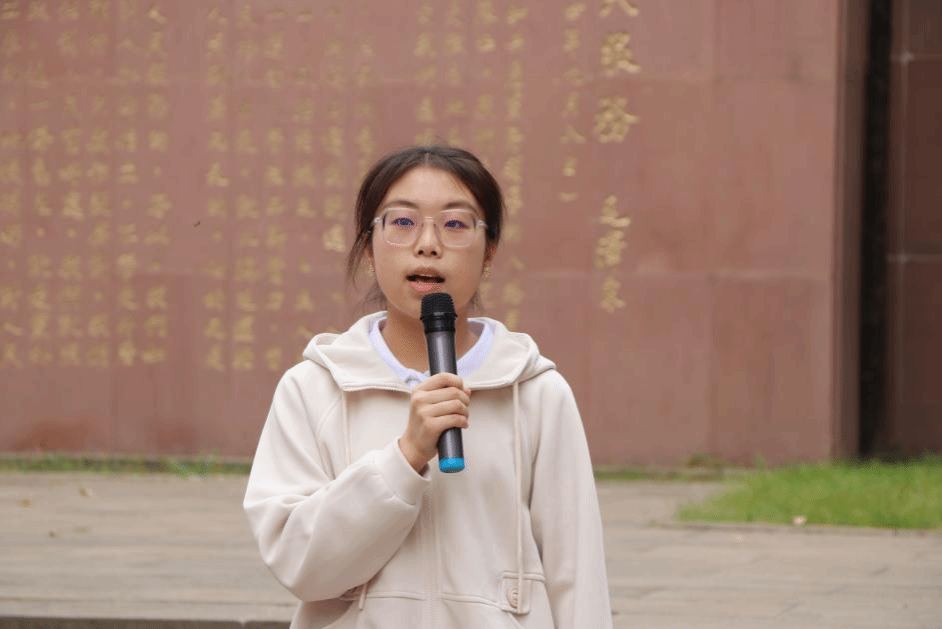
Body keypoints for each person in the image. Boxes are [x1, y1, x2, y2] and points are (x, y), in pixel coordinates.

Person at [243, 145, 613, 628]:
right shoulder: (314, 389)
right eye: (402, 222)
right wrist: (405, 458)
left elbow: (577, 574)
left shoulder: (537, 394)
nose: (428, 244)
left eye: (455, 224)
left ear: (489, 250)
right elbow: (301, 567)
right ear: (369, 245)